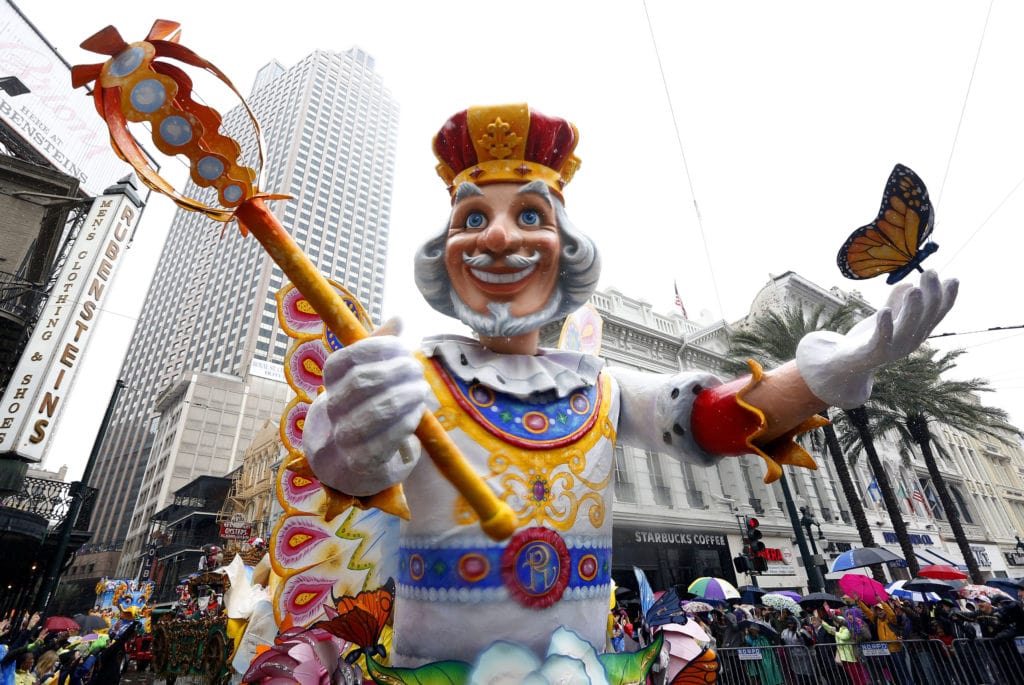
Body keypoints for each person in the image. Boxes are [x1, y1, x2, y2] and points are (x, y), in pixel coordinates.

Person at [303, 103, 959, 667]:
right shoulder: (412, 376)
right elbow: (347, 465)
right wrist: (358, 422)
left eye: (529, 215)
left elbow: (712, 415)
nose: (499, 236)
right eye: (472, 220)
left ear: (567, 252)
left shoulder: (600, 387)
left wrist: (823, 373)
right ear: (443, 255)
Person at [780, 616, 814, 684]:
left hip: (805, 659)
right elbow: (782, 643)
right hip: (794, 659)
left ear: (795, 623)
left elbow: (810, 643)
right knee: (798, 677)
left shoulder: (802, 631)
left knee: (808, 678)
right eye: (788, 623)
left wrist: (801, 636)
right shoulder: (784, 632)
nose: (790, 625)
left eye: (791, 623)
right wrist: (781, 639)